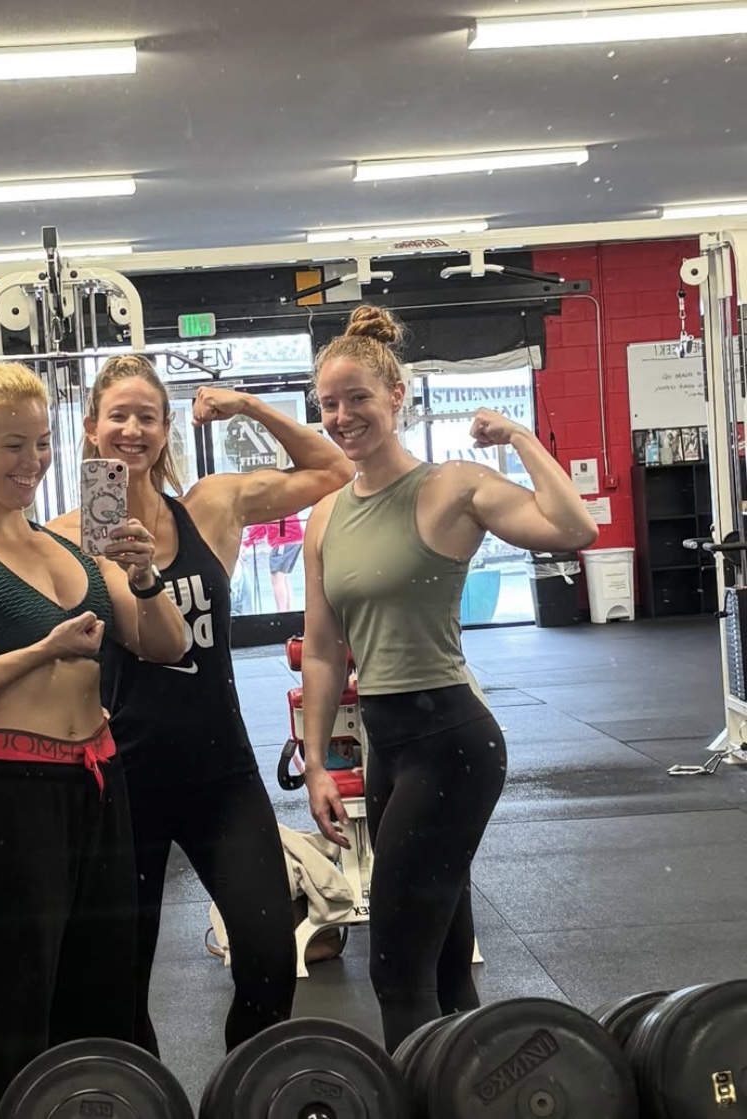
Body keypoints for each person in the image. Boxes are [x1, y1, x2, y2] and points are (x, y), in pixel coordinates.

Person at [0, 361, 187, 1119]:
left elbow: (168, 644)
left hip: (97, 789)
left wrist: (145, 576)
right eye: (13, 445)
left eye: (42, 443)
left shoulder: (71, 551)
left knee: (106, 994)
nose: (33, 462)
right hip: (2, 800)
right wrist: (40, 651)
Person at [300, 306, 599, 1054]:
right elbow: (325, 650)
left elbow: (574, 528)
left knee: (397, 969)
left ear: (396, 396)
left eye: (358, 398)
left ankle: (423, 1094)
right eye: (329, 403)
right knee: (440, 956)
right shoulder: (325, 516)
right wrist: (316, 762)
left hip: (452, 742)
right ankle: (472, 1088)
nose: (342, 416)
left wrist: (521, 437)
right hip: (387, 746)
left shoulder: (453, 487)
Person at [49, 354, 353, 1056]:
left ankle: (245, 1089)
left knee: (269, 951)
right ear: (91, 427)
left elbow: (334, 469)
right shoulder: (64, 537)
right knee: (120, 976)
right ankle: (143, 1095)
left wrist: (247, 403)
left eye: (147, 417)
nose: (132, 429)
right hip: (121, 780)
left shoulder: (212, 506)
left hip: (220, 772)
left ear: (165, 430)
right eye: (118, 416)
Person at [242, 516, 305, 611]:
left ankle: (281, 611)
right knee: (283, 576)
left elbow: (263, 521)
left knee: (277, 576)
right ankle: (287, 609)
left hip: (284, 537)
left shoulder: (265, 508)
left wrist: (247, 542)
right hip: (293, 536)